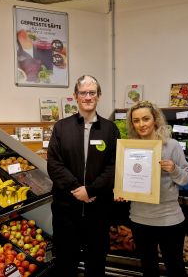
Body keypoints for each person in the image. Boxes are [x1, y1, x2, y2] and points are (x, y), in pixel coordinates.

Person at [47, 74, 120, 277]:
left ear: (98, 96)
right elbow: (54, 164)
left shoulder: (110, 129)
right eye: (83, 93)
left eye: (92, 93)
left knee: (96, 263)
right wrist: (77, 189)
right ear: (75, 96)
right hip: (66, 211)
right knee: (65, 262)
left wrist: (91, 190)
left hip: (99, 211)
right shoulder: (61, 127)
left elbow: (114, 165)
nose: (88, 97)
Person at [125, 100, 188, 277]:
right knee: (148, 269)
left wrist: (174, 169)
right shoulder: (129, 147)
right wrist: (121, 191)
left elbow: (186, 178)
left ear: (155, 119)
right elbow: (125, 178)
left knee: (175, 268)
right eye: (136, 121)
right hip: (140, 219)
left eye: (145, 119)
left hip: (169, 219)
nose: (141, 124)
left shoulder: (172, 145)